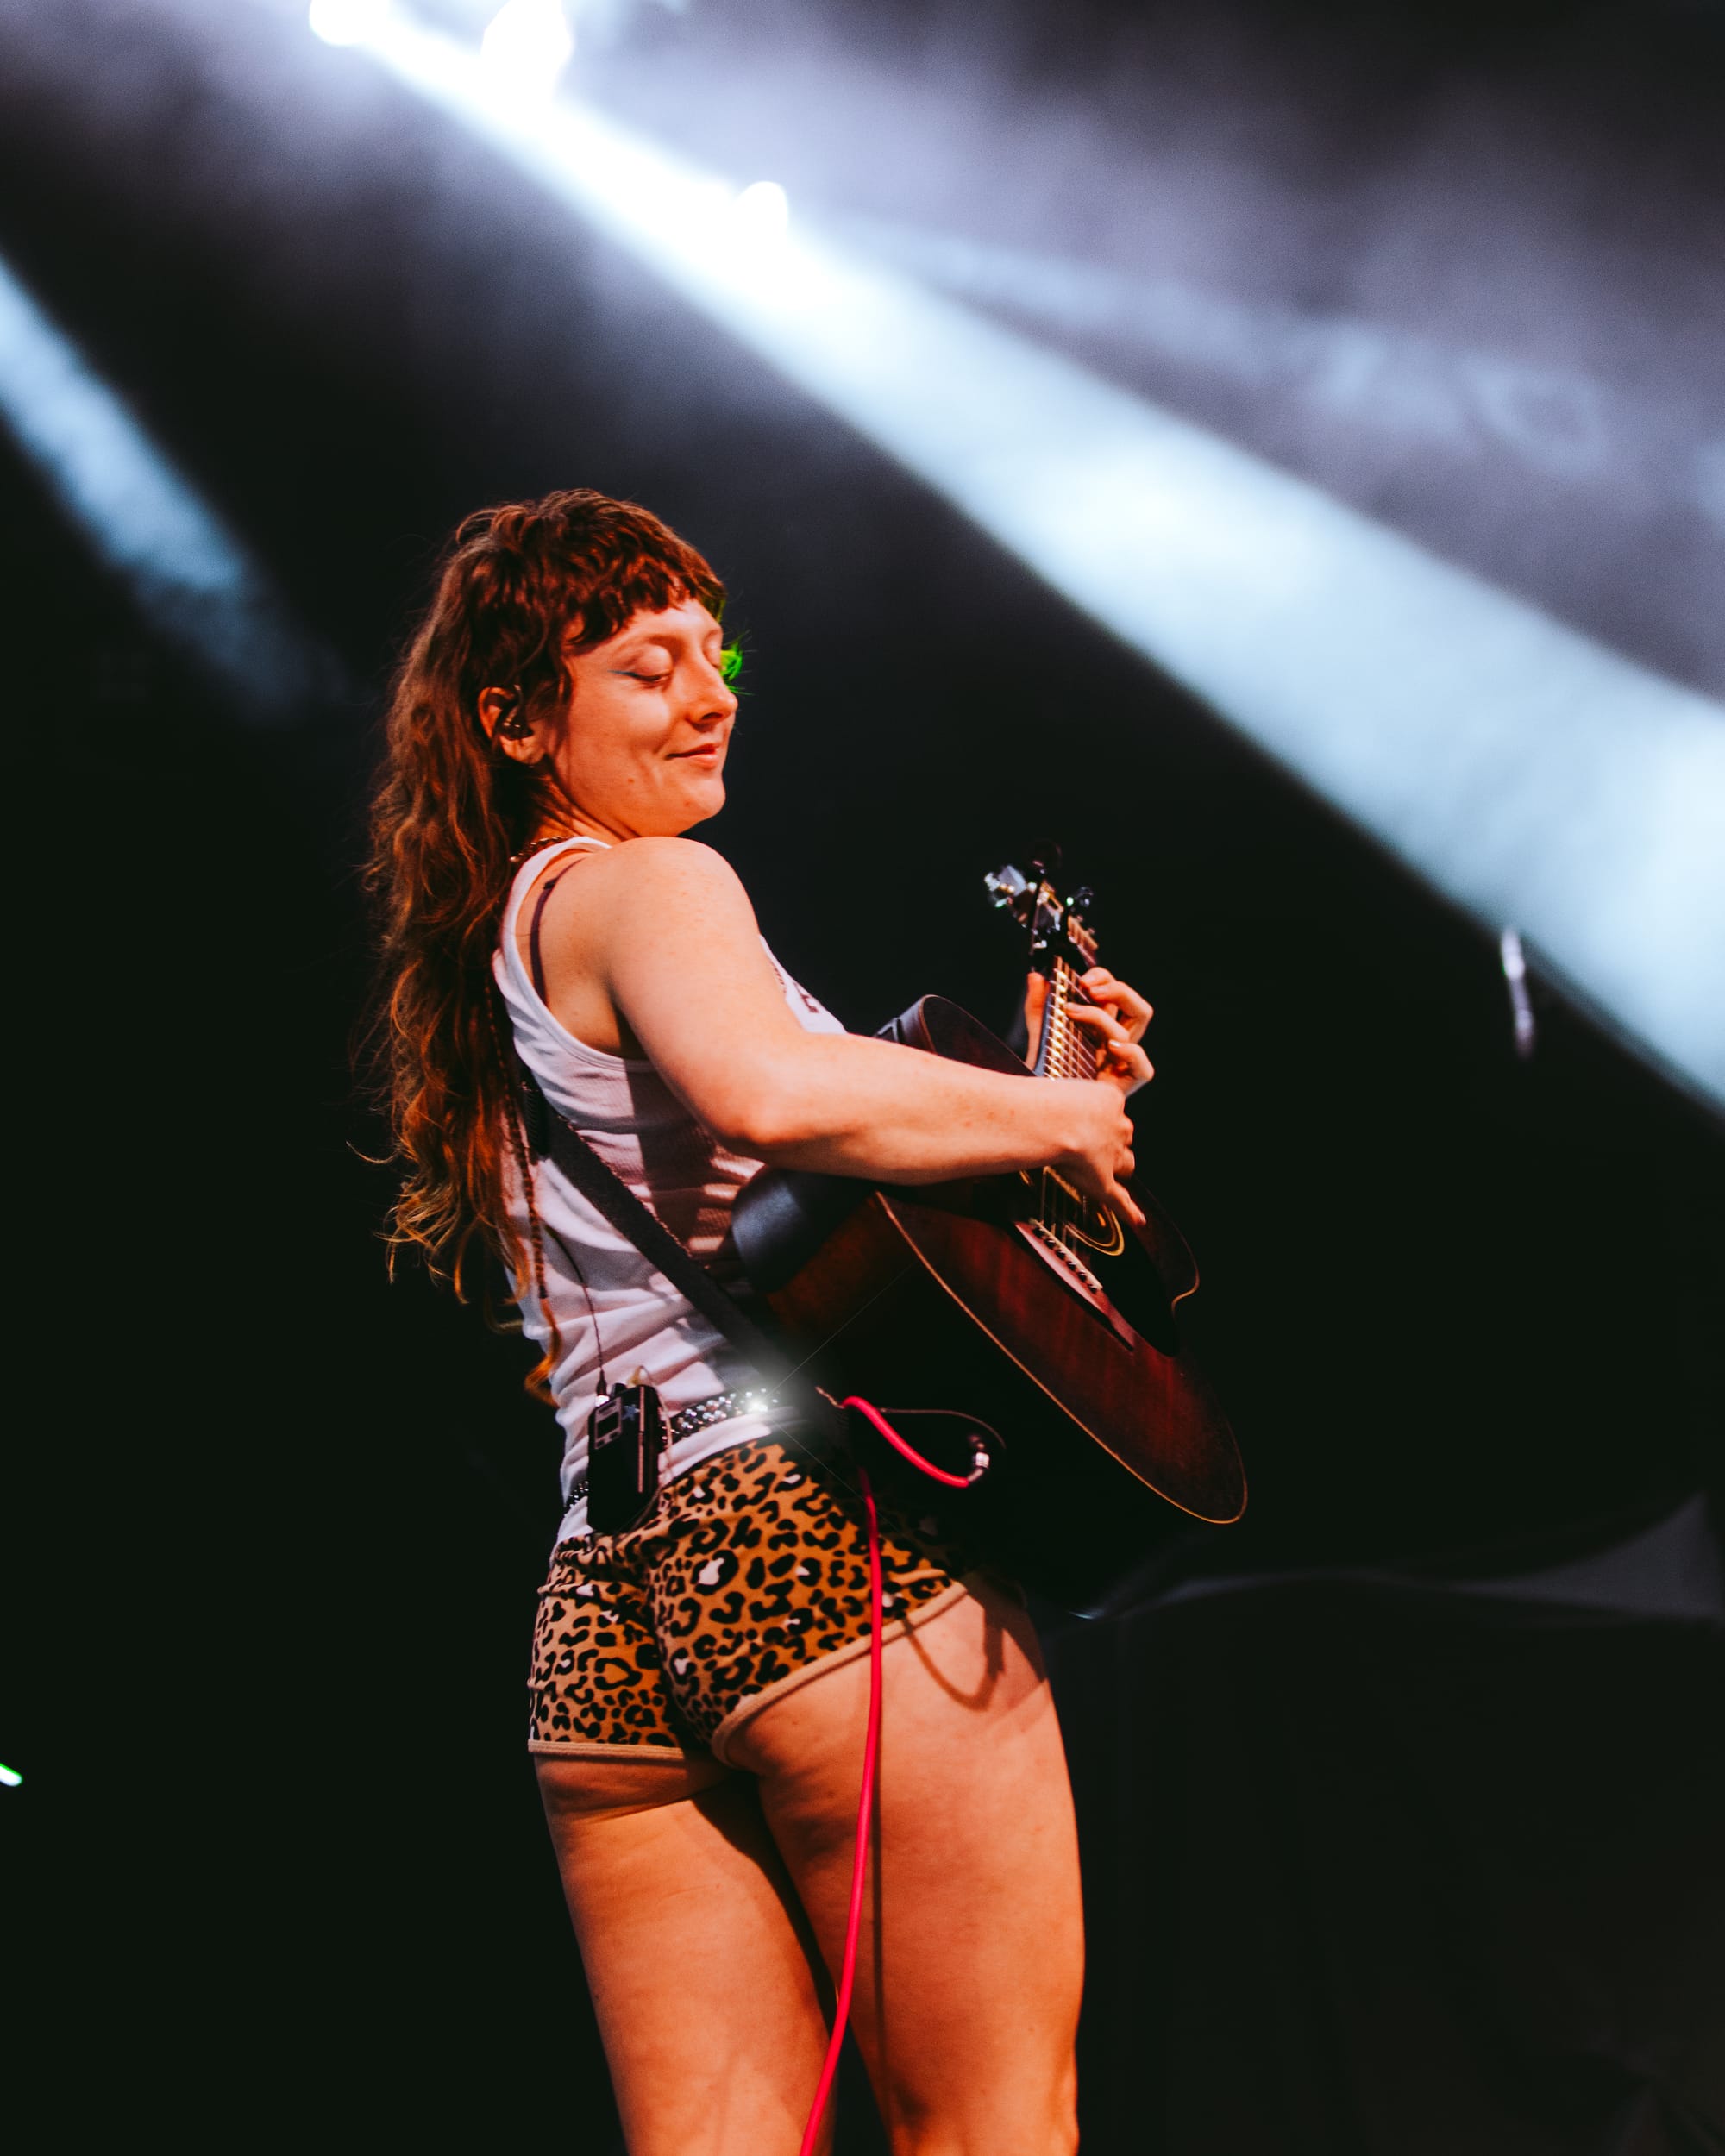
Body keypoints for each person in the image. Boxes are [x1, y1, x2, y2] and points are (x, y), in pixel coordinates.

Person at [367, 489, 1156, 2155]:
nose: (708, 696)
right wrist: (1064, 1118)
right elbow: (775, 1095)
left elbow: (802, 1193)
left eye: (712, 656)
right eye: (645, 668)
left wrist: (1039, 1089)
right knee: (993, 2123)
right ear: (517, 721)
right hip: (800, 1538)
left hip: (600, 1608)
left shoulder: (504, 953)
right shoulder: (652, 885)